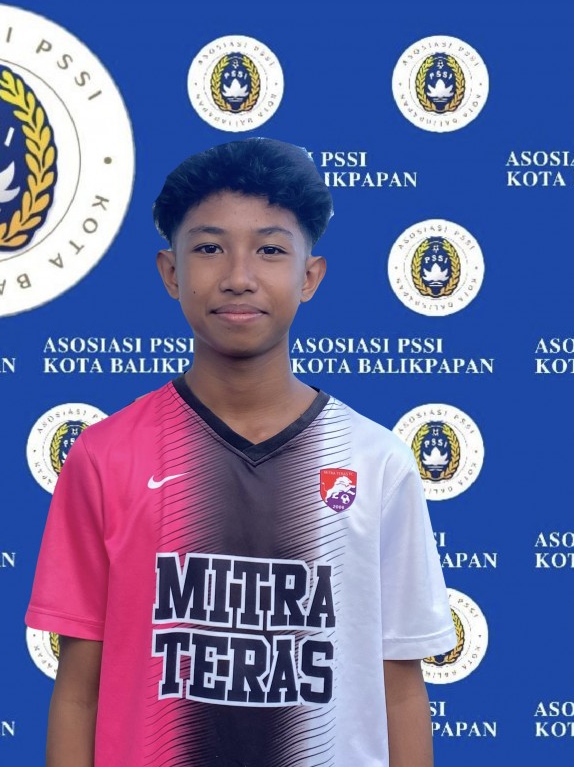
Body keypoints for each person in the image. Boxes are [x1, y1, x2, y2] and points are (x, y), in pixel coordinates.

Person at [25, 138, 456, 766]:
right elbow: (77, 693)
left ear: (310, 276)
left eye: (271, 250)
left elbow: (401, 689)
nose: (238, 277)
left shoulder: (376, 461)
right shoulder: (104, 456)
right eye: (208, 248)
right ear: (170, 272)